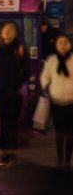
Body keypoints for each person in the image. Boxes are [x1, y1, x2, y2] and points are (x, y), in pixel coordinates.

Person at [0, 21, 29, 167]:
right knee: (3, 124)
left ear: (16, 32)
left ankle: (11, 153)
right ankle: (4, 153)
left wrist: (16, 85)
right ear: (1, 32)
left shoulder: (20, 48)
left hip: (14, 94)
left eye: (11, 29)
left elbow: (27, 71)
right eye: (6, 29)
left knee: (12, 124)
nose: (8, 32)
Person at [41, 32, 73, 169]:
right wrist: (47, 88)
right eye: (60, 42)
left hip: (72, 101)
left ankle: (67, 161)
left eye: (66, 42)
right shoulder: (51, 60)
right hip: (56, 101)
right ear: (56, 45)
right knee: (59, 132)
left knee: (71, 133)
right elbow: (45, 77)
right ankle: (60, 160)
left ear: (70, 44)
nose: (63, 45)